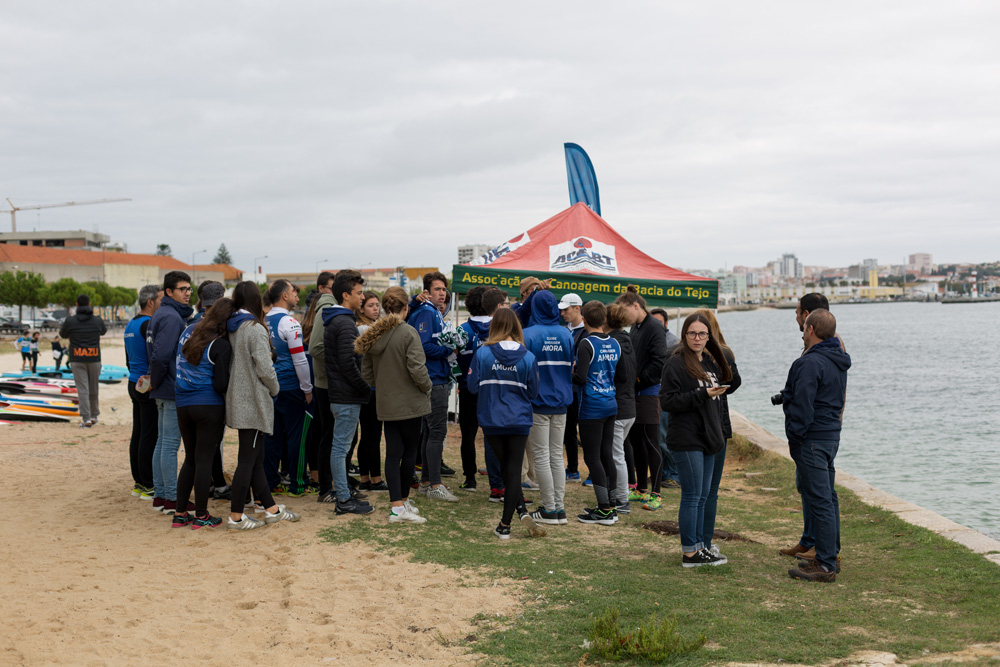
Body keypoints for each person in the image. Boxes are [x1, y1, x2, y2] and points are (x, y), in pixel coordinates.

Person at [782, 309, 850, 582]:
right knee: (827, 497)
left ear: (810, 329)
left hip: (812, 437)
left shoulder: (811, 362)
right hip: (830, 434)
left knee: (820, 500)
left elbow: (803, 404)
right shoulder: (837, 359)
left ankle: (825, 564)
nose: (802, 330)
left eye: (804, 326)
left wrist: (795, 435)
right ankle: (829, 554)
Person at [660, 312, 732, 567]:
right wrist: (701, 394)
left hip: (708, 437)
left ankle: (702, 546)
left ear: (709, 335)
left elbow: (730, 379)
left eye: (703, 333)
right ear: (685, 335)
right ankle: (690, 552)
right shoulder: (676, 362)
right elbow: (667, 401)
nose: (698, 338)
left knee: (703, 495)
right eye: (692, 333)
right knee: (692, 496)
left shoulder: (709, 362)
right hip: (687, 437)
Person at [226, 281, 300, 530]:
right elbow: (265, 367)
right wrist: (275, 388)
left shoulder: (233, 326)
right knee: (247, 460)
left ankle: (271, 509)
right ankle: (236, 516)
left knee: (255, 459)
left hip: (239, 398)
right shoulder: (254, 328)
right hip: (253, 401)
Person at [355, 286, 432, 524]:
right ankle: (400, 504)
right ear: (406, 308)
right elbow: (417, 369)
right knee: (409, 453)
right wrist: (427, 387)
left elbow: (367, 373)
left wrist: (386, 383)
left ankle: (398, 504)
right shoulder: (408, 332)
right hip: (410, 401)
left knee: (393, 453)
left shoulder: (374, 334)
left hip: (386, 401)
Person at [468, 308, 544, 540]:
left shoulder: (482, 353)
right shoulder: (529, 357)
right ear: (516, 327)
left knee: (507, 469)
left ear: (494, 327)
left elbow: (471, 387)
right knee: (511, 471)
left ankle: (506, 523)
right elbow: (533, 392)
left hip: (492, 420)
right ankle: (514, 515)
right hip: (519, 420)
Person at [171, 297, 235, 529]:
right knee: (204, 459)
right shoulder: (220, 344)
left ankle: (180, 513)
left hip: (183, 403)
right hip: (208, 405)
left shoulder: (188, 330)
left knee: (190, 458)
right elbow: (220, 384)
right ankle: (201, 515)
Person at [321, 270, 375, 515]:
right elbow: (348, 365)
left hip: (343, 395)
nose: (362, 297)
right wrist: (366, 389)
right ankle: (343, 499)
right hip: (346, 396)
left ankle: (343, 495)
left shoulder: (340, 320)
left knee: (339, 446)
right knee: (340, 447)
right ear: (346, 295)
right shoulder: (344, 323)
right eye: (359, 293)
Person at [692, 309, 742, 563]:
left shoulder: (690, 357)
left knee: (697, 491)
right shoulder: (725, 353)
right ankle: (705, 541)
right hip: (718, 426)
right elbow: (735, 382)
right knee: (709, 491)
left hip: (700, 425)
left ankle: (697, 542)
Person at [523, 290, 575, 526]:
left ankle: (549, 509)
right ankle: (559, 509)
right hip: (562, 401)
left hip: (538, 402)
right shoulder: (566, 334)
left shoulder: (528, 334)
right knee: (556, 455)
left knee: (542, 455)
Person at [408, 271, 459, 502]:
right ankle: (435, 484)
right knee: (437, 431)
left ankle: (427, 481)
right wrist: (449, 351)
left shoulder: (431, 312)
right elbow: (423, 346)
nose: (442, 293)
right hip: (432, 379)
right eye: (437, 289)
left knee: (430, 432)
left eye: (444, 289)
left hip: (436, 377)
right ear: (427, 292)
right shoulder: (426, 312)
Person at [147, 270, 194, 514]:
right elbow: (162, 355)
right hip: (169, 387)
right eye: (182, 289)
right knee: (169, 445)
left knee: (162, 442)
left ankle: (161, 495)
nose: (187, 293)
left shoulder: (161, 313)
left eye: (189, 289)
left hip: (162, 387)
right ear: (168, 292)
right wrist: (155, 380)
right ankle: (172, 499)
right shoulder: (172, 317)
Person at [617, 287, 668, 512]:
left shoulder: (655, 327)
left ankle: (656, 492)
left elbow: (659, 362)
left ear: (635, 306)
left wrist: (638, 381)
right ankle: (641, 487)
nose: (624, 317)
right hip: (633, 392)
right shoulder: (635, 328)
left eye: (624, 311)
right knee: (637, 442)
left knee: (651, 442)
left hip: (648, 391)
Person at [264, 279, 314, 497]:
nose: (296, 295)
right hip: (291, 388)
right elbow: (300, 360)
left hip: (269, 388)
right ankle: (298, 485)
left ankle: (271, 482)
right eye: (294, 291)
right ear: (285, 295)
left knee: (272, 438)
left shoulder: (263, 321)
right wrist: (307, 389)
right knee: (297, 438)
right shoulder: (290, 322)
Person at [572, 301, 621, 525]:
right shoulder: (615, 342)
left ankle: (604, 510)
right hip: (610, 403)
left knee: (592, 457)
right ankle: (612, 504)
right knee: (606, 455)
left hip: (592, 406)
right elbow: (621, 376)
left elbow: (581, 378)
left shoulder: (586, 344)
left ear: (583, 318)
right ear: (604, 320)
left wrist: (569, 372)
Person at [124, 284, 162, 499]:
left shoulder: (131, 323)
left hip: (134, 383)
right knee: (148, 434)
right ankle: (147, 484)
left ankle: (139, 482)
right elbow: (153, 356)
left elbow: (128, 358)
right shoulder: (147, 324)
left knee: (138, 433)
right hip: (144, 384)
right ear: (150, 302)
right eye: (160, 300)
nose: (162, 303)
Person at [307, 272, 338, 503]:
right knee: (324, 433)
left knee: (325, 432)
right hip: (322, 381)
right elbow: (315, 347)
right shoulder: (324, 310)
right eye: (332, 286)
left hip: (320, 380)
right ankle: (323, 483)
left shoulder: (324, 309)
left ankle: (327, 480)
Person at [605, 303, 637, 515]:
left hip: (619, 405)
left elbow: (621, 375)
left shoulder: (613, 343)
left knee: (617, 455)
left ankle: (622, 499)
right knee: (618, 453)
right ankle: (617, 494)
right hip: (630, 406)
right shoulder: (627, 340)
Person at [60, 294, 107, 428]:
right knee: (94, 388)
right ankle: (94, 416)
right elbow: (103, 332)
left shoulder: (70, 321)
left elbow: (63, 334)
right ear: (90, 303)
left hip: (77, 357)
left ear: (77, 305)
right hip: (94, 357)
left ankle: (86, 418)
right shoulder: (97, 320)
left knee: (83, 389)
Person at [355, 291, 386, 491]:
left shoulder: (363, 327)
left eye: (377, 305)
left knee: (366, 435)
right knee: (372, 435)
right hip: (371, 388)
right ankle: (375, 479)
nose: (376, 309)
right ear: (362, 309)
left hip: (365, 388)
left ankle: (365, 477)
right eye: (371, 305)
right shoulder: (366, 329)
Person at [650, 308, 681, 489]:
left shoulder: (673, 343)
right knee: (656, 436)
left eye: (658, 322)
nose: (655, 325)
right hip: (653, 394)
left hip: (666, 395)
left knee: (664, 435)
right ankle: (663, 472)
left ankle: (674, 474)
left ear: (666, 323)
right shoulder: (653, 339)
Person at [558, 292, 585, 482]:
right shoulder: (563, 331)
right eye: (561, 310)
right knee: (568, 430)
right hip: (565, 387)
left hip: (581, 388)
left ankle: (592, 472)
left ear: (577, 308)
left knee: (585, 431)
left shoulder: (587, 331)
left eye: (566, 310)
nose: (562, 314)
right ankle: (573, 469)